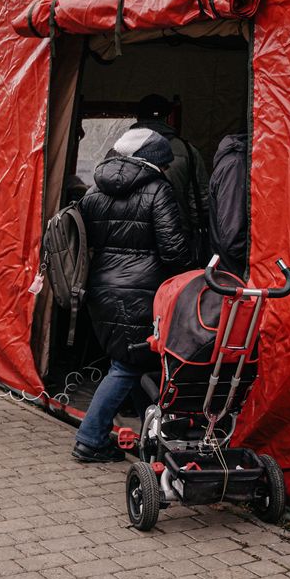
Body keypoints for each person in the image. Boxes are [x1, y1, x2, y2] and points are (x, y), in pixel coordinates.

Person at [72, 129, 188, 462]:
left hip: (102, 288)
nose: (166, 171)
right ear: (153, 163)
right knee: (127, 364)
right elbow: (174, 251)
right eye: (164, 165)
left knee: (138, 361)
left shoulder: (93, 191)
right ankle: (90, 439)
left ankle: (153, 438)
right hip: (143, 293)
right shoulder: (158, 191)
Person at [131, 94, 210, 266]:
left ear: (138, 117)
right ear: (167, 118)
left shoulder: (117, 151)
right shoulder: (187, 151)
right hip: (177, 236)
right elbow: (200, 201)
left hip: (128, 237)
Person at [208, 132, 249, 278]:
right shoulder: (236, 165)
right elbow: (232, 234)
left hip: (230, 268)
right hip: (233, 272)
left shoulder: (236, 162)